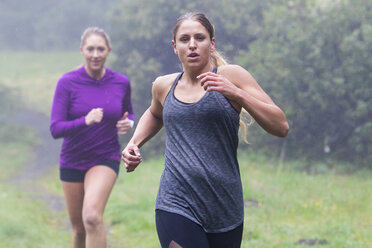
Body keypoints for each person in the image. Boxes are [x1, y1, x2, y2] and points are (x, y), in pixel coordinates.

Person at [122, 12, 289, 248]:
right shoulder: (164, 85)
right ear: (174, 46)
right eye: (184, 39)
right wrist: (134, 143)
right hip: (175, 202)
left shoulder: (233, 76)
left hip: (224, 206)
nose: (192, 45)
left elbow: (281, 126)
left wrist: (236, 93)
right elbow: (154, 113)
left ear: (211, 44)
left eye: (199, 38)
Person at [50, 27, 134, 248]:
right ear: (82, 51)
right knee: (79, 230)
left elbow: (128, 111)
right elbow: (55, 128)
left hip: (105, 157)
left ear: (108, 51)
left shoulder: (121, 82)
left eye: (100, 49)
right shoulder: (67, 82)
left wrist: (129, 122)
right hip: (72, 159)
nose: (95, 54)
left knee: (92, 217)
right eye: (90, 49)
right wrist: (84, 121)